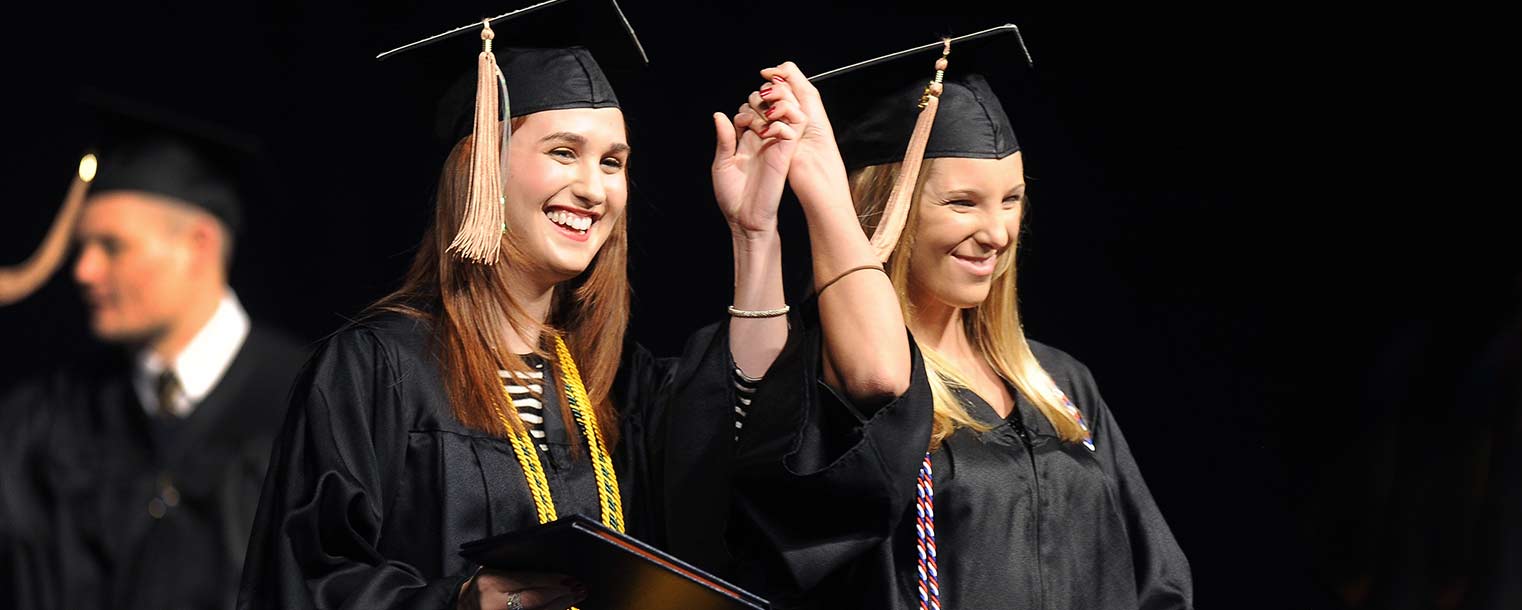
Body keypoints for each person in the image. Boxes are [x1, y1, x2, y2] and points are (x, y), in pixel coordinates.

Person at [236, 2, 915, 609]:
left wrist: (754, 233)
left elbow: (744, 457)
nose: (593, 188)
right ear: (481, 166)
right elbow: (301, 579)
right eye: (564, 153)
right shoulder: (376, 369)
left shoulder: (614, 381)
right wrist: (460, 603)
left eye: (613, 163)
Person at [723, 28, 1193, 610]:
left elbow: (1158, 582)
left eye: (1011, 199)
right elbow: (876, 383)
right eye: (962, 202)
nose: (996, 233)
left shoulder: (1061, 385)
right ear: (886, 205)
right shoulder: (833, 388)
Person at [0, 96, 308, 610]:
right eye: (80, 249)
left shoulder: (308, 401)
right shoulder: (50, 416)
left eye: (111, 246)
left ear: (200, 244)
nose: (83, 271)